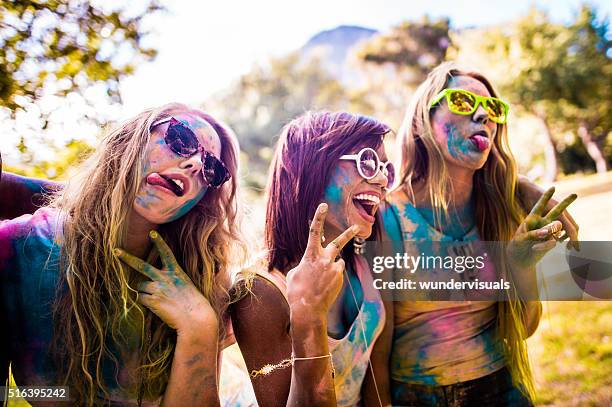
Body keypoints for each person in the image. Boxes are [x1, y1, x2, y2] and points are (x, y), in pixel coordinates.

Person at [0, 103, 244, 405]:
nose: (194, 164)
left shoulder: (203, 279)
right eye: (181, 140)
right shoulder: (18, 249)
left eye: (211, 169)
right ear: (131, 139)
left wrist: (199, 327)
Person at [377, 62, 578, 406]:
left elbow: (525, 328)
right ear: (422, 119)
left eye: (493, 109)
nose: (484, 114)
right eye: (462, 101)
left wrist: (520, 265)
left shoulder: (499, 209)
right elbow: (377, 351)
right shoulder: (390, 217)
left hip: (502, 391)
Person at [229, 111, 395, 407]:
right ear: (312, 169)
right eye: (368, 162)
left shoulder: (364, 259)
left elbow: (375, 376)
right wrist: (309, 313)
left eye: (386, 168)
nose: (382, 179)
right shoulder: (260, 292)